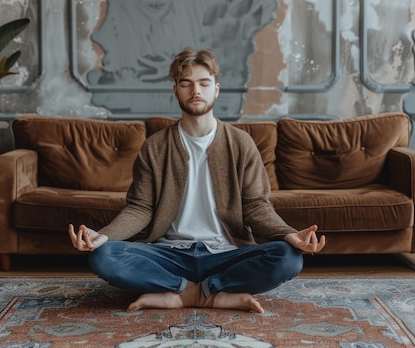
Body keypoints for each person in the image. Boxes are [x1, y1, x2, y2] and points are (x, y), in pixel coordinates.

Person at [69, 47, 326, 313]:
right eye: (186, 84)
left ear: (216, 89)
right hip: (169, 254)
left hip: (226, 253)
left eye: (204, 83)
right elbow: (140, 208)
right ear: (175, 90)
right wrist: (103, 236)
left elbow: (256, 206)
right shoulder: (155, 147)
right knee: (103, 256)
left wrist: (289, 234)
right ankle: (209, 294)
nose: (195, 91)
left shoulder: (241, 144)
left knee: (288, 258)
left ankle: (181, 292)